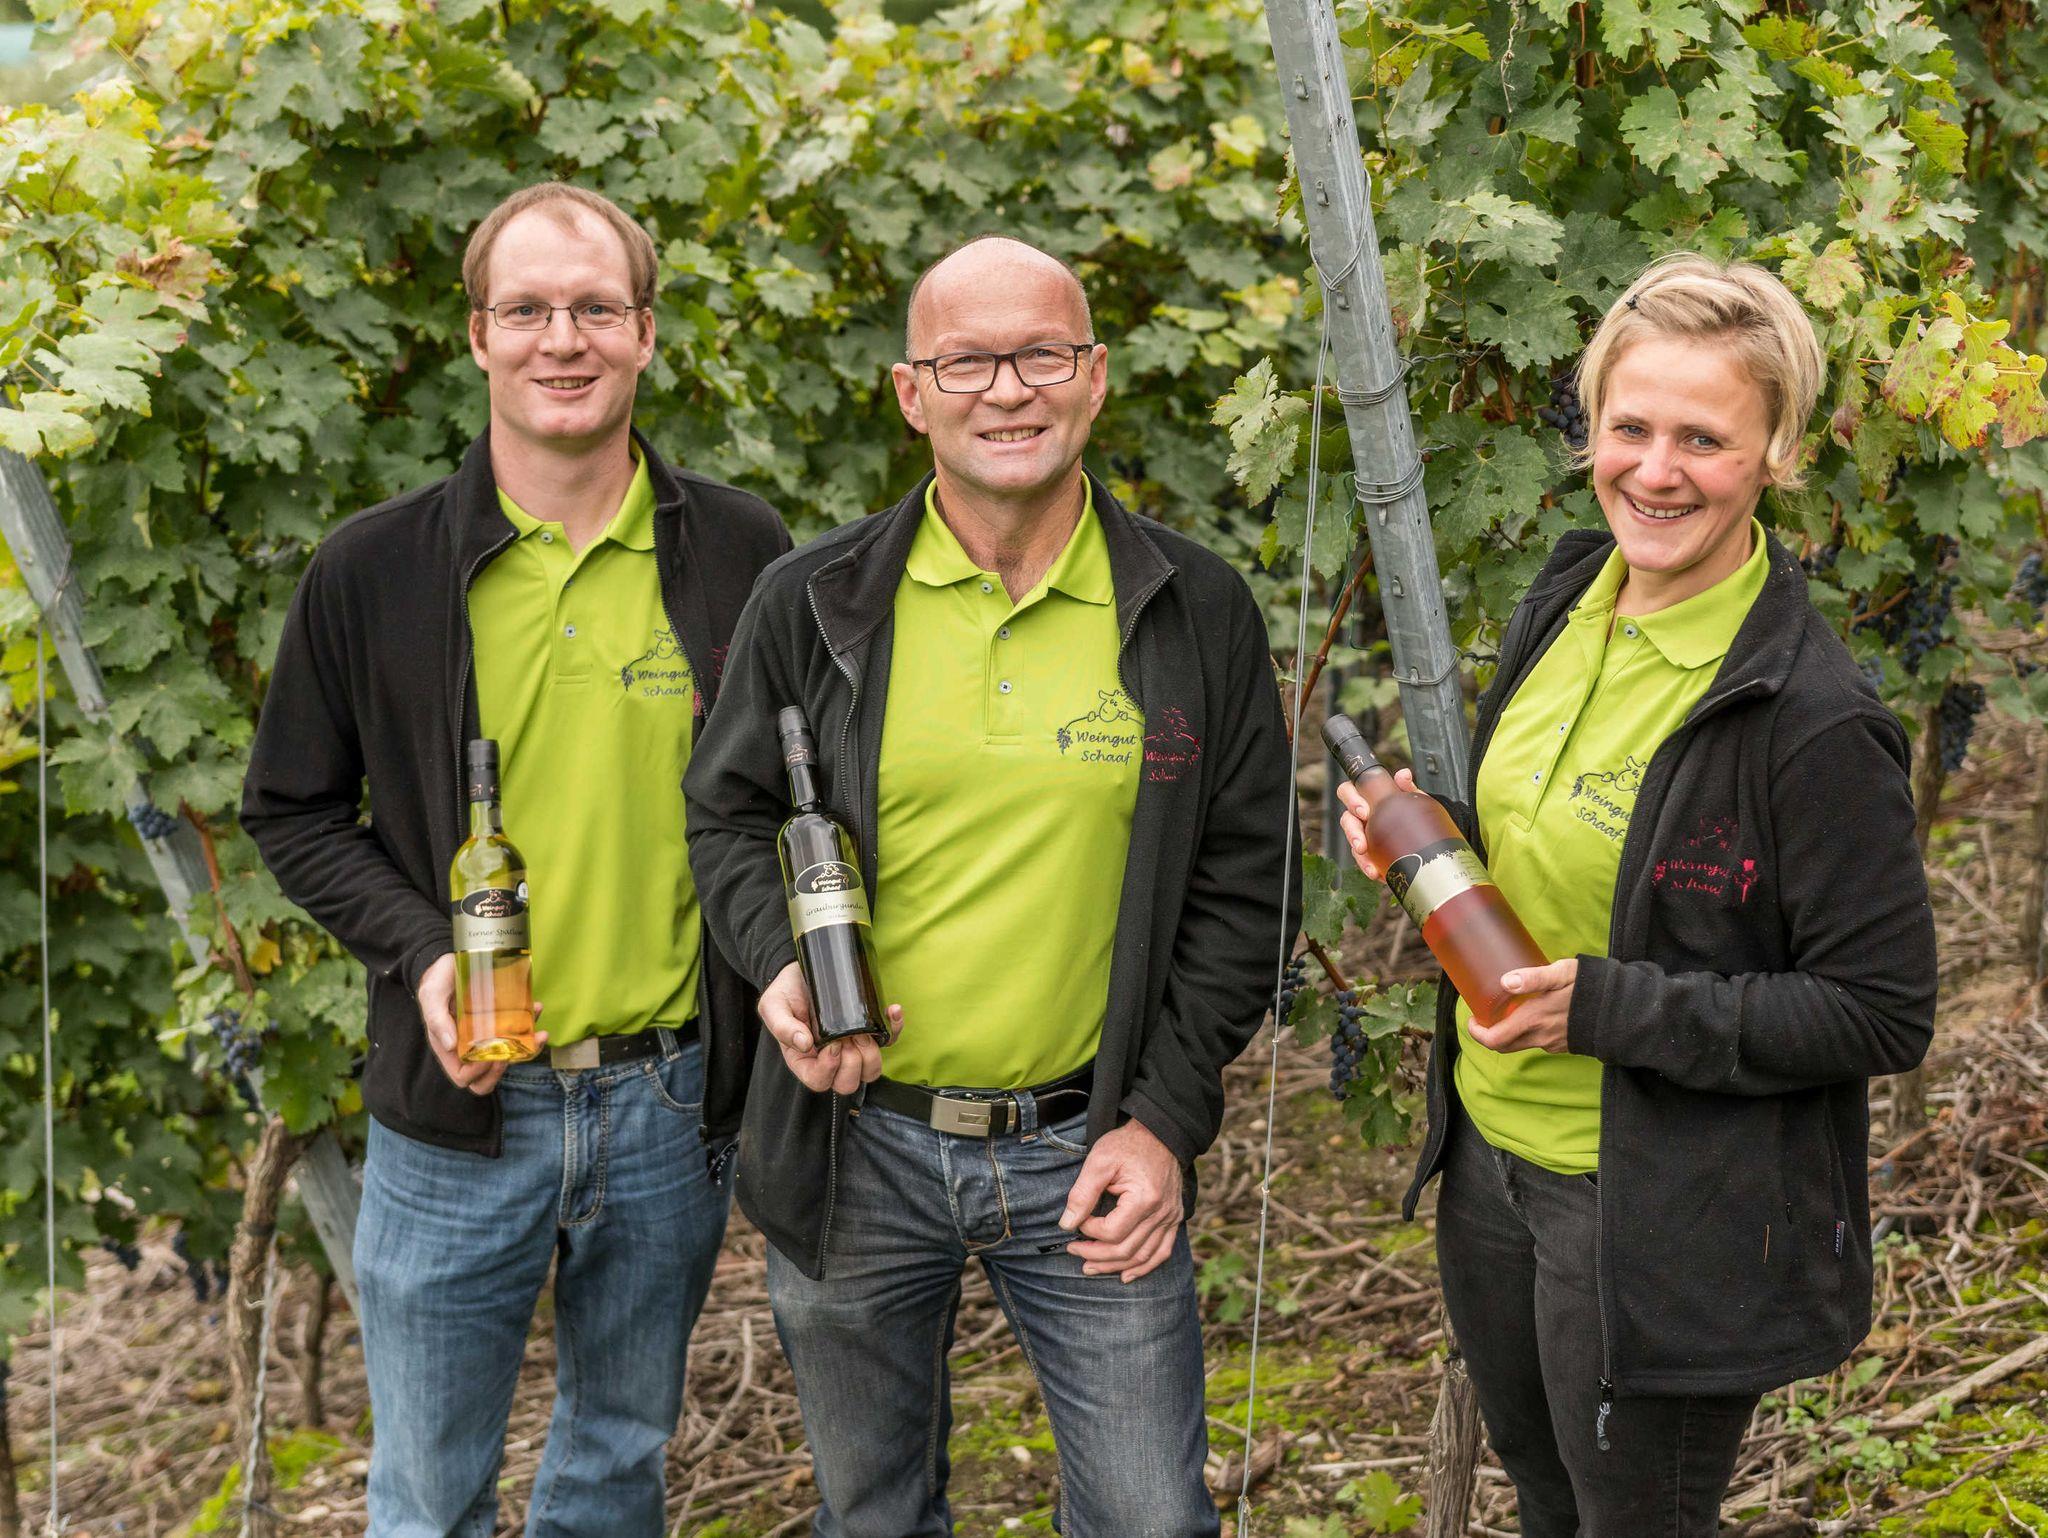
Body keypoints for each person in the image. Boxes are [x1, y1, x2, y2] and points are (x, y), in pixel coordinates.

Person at [683, 234, 1301, 1538]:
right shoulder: (812, 600)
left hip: (1089, 1146)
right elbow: (729, 818)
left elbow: (1249, 886)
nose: (1007, 389)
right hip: (858, 1145)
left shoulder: (1194, 608)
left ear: (1096, 377)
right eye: (966, 361)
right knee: (872, 1512)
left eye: (1042, 355)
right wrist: (780, 965)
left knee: (1150, 1518)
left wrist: (1163, 1119)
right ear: (912, 393)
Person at [1335, 253, 1938, 1537]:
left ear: (1775, 453)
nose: (1654, 470)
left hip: (1652, 1213)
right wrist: (1422, 853)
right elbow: (1541, 856)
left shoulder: (1807, 718)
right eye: (1628, 427)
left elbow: (1878, 1010)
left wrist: (1605, 1008)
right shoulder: (1569, 595)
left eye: (1702, 438)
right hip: (1490, 1162)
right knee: (1548, 1501)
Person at [241, 182, 790, 1536]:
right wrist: (423, 954)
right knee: (429, 1497)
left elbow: (784, 801)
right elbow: (290, 809)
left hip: (669, 1097)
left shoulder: (741, 551)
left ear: (645, 331)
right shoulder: (373, 571)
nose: (564, 338)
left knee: (615, 1465)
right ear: (478, 335)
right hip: (458, 1110)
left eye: (596, 308)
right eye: (528, 308)